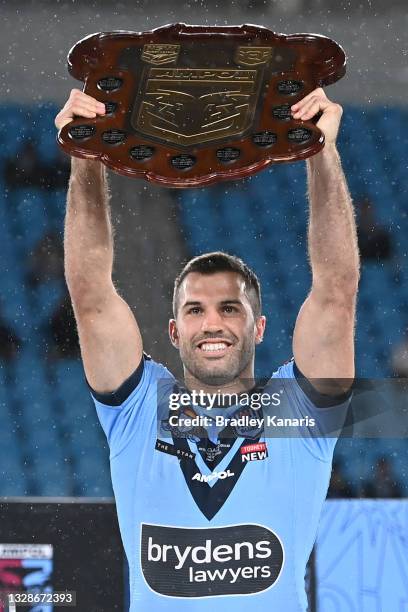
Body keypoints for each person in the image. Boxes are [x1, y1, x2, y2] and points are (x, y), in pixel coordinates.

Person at [55, 87, 359, 611]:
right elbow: (91, 296)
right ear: (173, 331)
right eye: (194, 309)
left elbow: (335, 292)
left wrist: (323, 155)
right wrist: (87, 158)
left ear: (259, 327)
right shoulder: (136, 408)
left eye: (230, 308)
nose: (212, 323)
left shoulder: (301, 413)